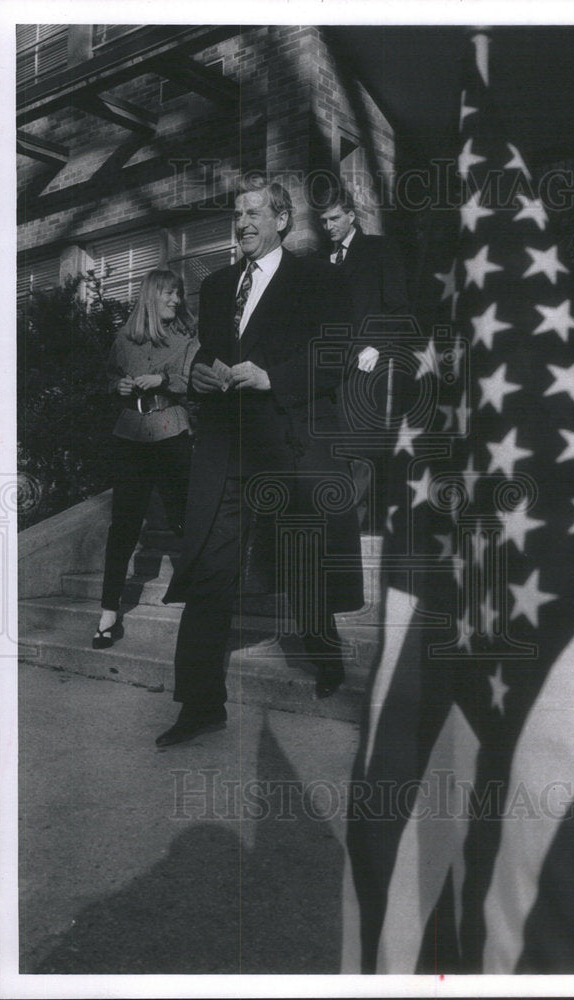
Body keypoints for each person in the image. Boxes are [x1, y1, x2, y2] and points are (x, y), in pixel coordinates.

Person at [156, 175, 364, 748]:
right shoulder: (219, 285)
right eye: (237, 213)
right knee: (210, 571)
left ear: (281, 220)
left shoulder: (318, 279)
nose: (242, 221)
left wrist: (274, 377)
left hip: (288, 449)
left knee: (304, 563)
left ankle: (325, 656)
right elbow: (210, 356)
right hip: (227, 451)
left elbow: (336, 352)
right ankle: (200, 704)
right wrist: (200, 373)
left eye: (253, 212)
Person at [92, 269, 198, 649]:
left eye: (179, 294)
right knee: (123, 526)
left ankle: (203, 599)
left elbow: (195, 381)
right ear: (151, 297)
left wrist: (165, 382)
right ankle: (108, 613)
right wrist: (117, 386)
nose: (176, 300)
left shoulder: (187, 336)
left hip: (171, 432)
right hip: (131, 436)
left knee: (184, 518)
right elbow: (107, 378)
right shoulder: (124, 338)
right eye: (170, 294)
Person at [318, 186, 409, 531]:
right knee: (331, 447)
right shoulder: (319, 261)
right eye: (323, 220)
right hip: (327, 368)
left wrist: (377, 345)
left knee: (360, 447)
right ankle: (339, 525)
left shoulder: (379, 250)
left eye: (335, 218)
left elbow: (398, 307)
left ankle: (355, 530)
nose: (328, 226)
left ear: (352, 216)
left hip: (367, 362)